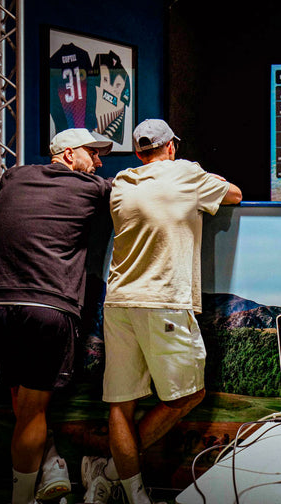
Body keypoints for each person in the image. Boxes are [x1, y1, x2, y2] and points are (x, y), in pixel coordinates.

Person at [97, 119, 241, 504]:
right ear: (171, 147)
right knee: (188, 395)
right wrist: (205, 177)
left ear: (138, 152)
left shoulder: (122, 182)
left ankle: (124, 486)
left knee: (121, 405)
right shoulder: (186, 174)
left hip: (119, 302)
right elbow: (235, 195)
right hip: (164, 301)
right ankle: (111, 471)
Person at [0, 128, 113, 504]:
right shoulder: (92, 188)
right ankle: (23, 498)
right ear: (69, 154)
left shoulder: (15, 176)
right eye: (92, 153)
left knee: (21, 402)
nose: (98, 162)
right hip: (46, 307)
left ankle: (49, 463)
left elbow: (2, 187)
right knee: (32, 410)